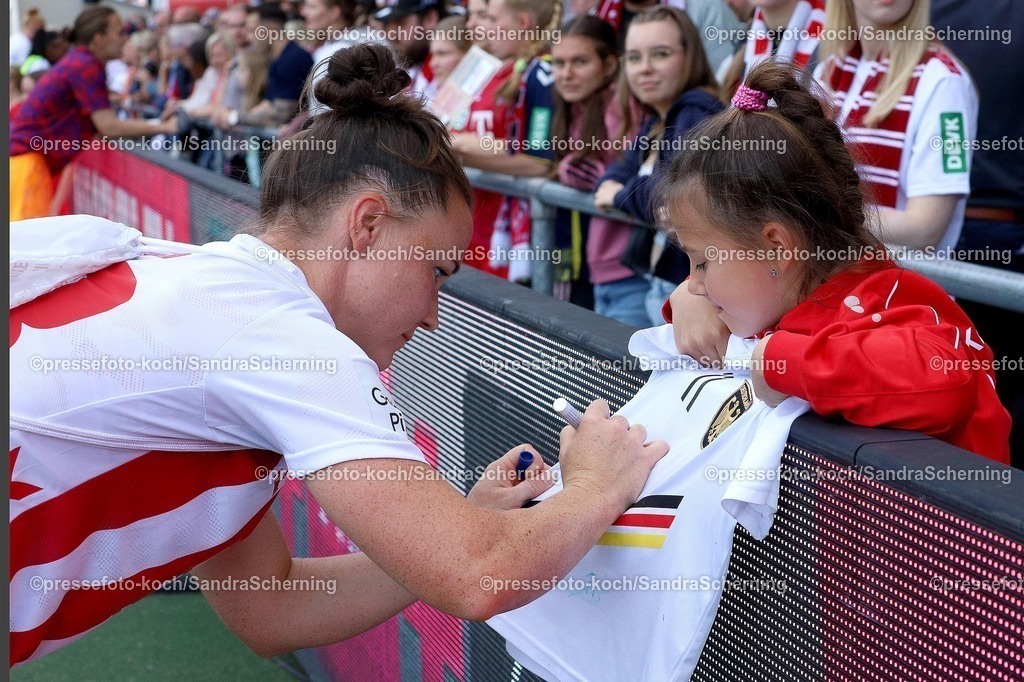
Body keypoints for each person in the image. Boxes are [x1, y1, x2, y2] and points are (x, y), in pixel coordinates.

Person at [10, 43, 669, 666]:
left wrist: (471, 523)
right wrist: (595, 486)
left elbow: (270, 609)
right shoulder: (280, 334)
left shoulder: (216, 289)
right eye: (436, 271)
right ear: (368, 224)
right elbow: (479, 576)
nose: (434, 316)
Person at [662, 62, 1011, 464]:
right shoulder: (783, 291)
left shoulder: (890, 303)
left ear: (777, 247)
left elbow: (948, 384)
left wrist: (783, 360)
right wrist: (687, 303)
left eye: (704, 262)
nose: (695, 283)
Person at [593, 5, 723, 326]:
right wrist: (622, 190)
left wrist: (619, 195)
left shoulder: (697, 111)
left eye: (661, 54)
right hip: (661, 285)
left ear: (689, 56)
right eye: (634, 58)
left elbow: (674, 193)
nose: (645, 69)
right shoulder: (656, 119)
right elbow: (615, 173)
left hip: (693, 293)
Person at [817, 0, 978, 253]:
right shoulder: (827, 74)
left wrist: (814, 213)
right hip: (839, 281)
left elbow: (925, 230)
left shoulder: (945, 82)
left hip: (902, 287)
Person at [9, 6, 181, 221]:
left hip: (26, 164)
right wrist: (164, 127)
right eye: (119, 32)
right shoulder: (85, 64)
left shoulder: (81, 61)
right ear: (99, 38)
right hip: (26, 166)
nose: (125, 39)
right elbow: (109, 127)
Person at [549, 15, 647, 323]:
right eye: (558, 63)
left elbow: (598, 175)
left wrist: (565, 169)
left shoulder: (620, 106)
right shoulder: (576, 108)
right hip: (601, 269)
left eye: (579, 62)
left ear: (608, 65)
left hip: (632, 269)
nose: (566, 74)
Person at [373, 0, 448, 97]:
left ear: (430, 19)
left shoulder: (450, 65)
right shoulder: (410, 68)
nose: (392, 34)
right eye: (388, 25)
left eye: (400, 22)